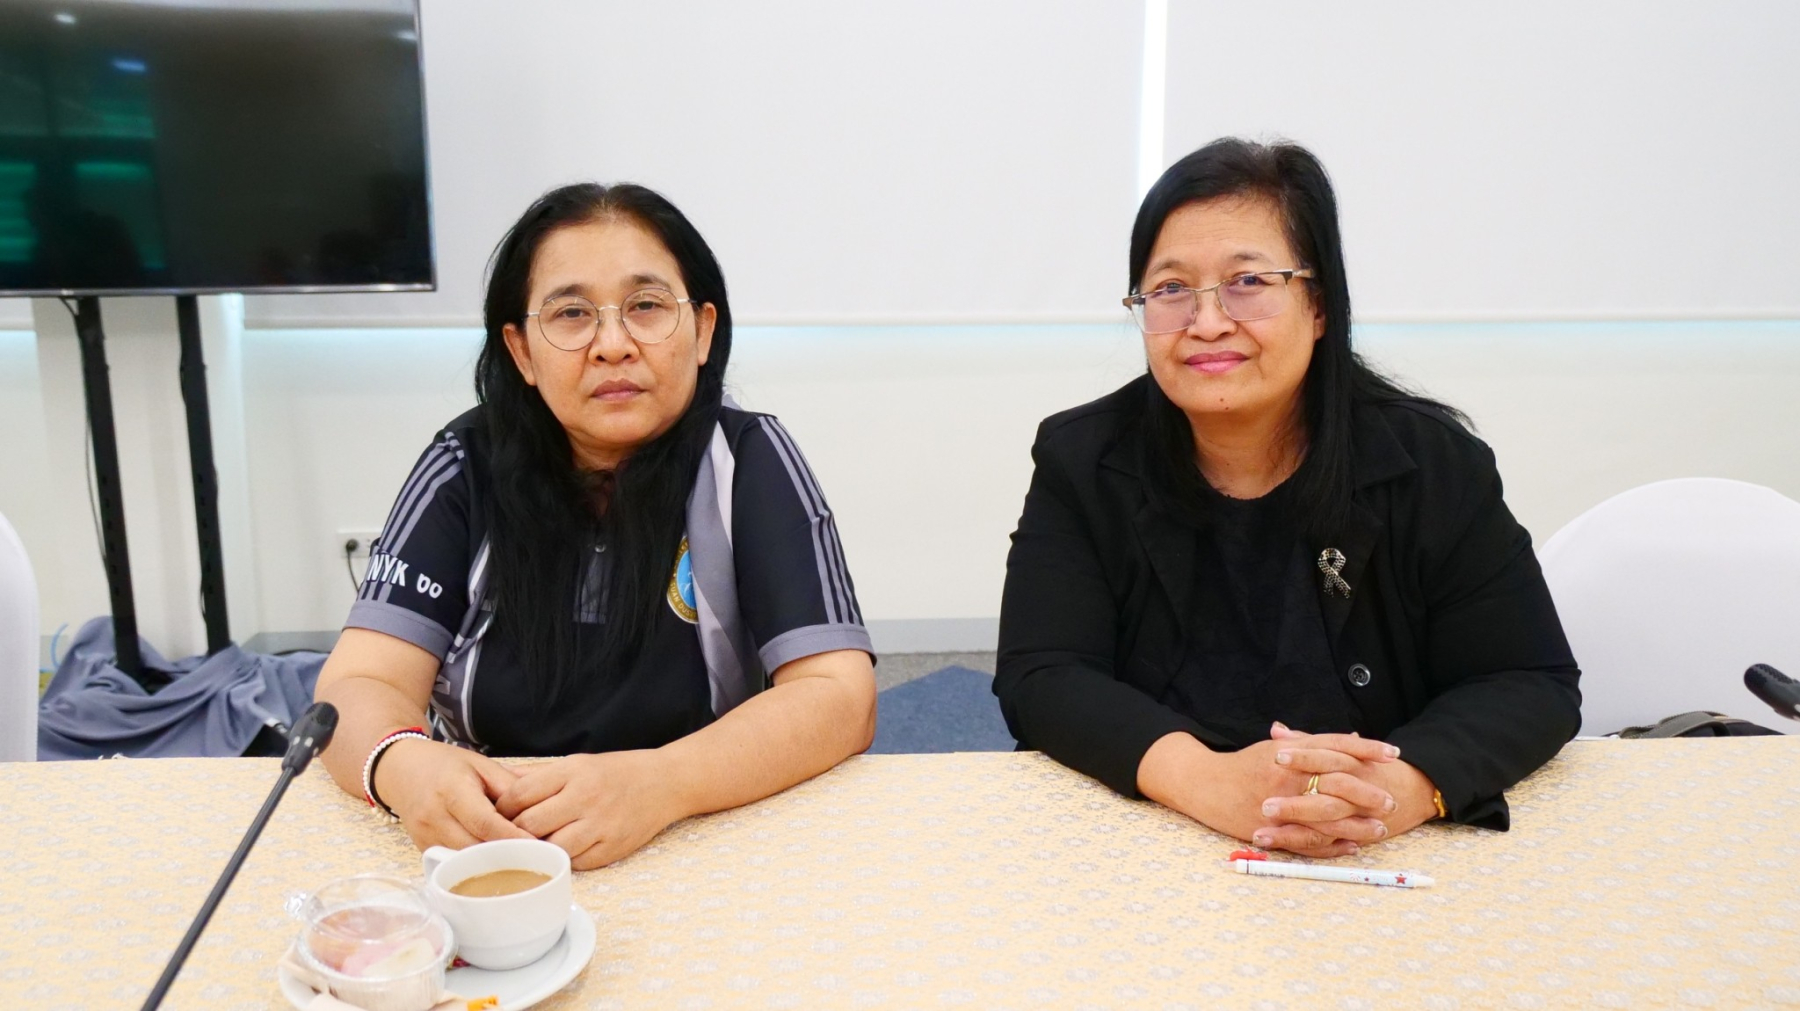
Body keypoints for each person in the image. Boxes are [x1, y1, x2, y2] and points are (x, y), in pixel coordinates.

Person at [993, 138, 1580, 858]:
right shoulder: (1082, 458)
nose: (1207, 322)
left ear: (1319, 304)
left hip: (1377, 848)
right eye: (1171, 289)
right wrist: (1204, 779)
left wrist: (1400, 790)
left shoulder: (1431, 462)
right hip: (1153, 838)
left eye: (1248, 282)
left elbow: (1526, 679)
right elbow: (1043, 674)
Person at [315, 183, 876, 869]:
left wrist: (663, 782)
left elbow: (839, 695)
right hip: (488, 842)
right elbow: (355, 685)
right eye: (572, 314)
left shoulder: (749, 460)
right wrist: (403, 767)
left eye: (646, 306)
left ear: (702, 331)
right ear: (522, 352)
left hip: (697, 826)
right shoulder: (463, 466)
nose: (613, 345)